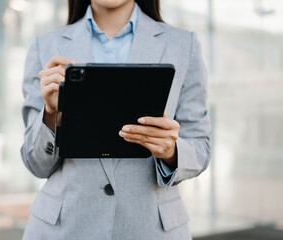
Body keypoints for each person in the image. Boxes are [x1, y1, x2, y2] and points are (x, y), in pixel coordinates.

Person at [20, 0, 211, 239]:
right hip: (65, 228)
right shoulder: (44, 47)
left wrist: (171, 151)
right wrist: (50, 113)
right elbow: (35, 163)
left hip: (150, 228)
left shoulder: (184, 45)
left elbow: (200, 147)